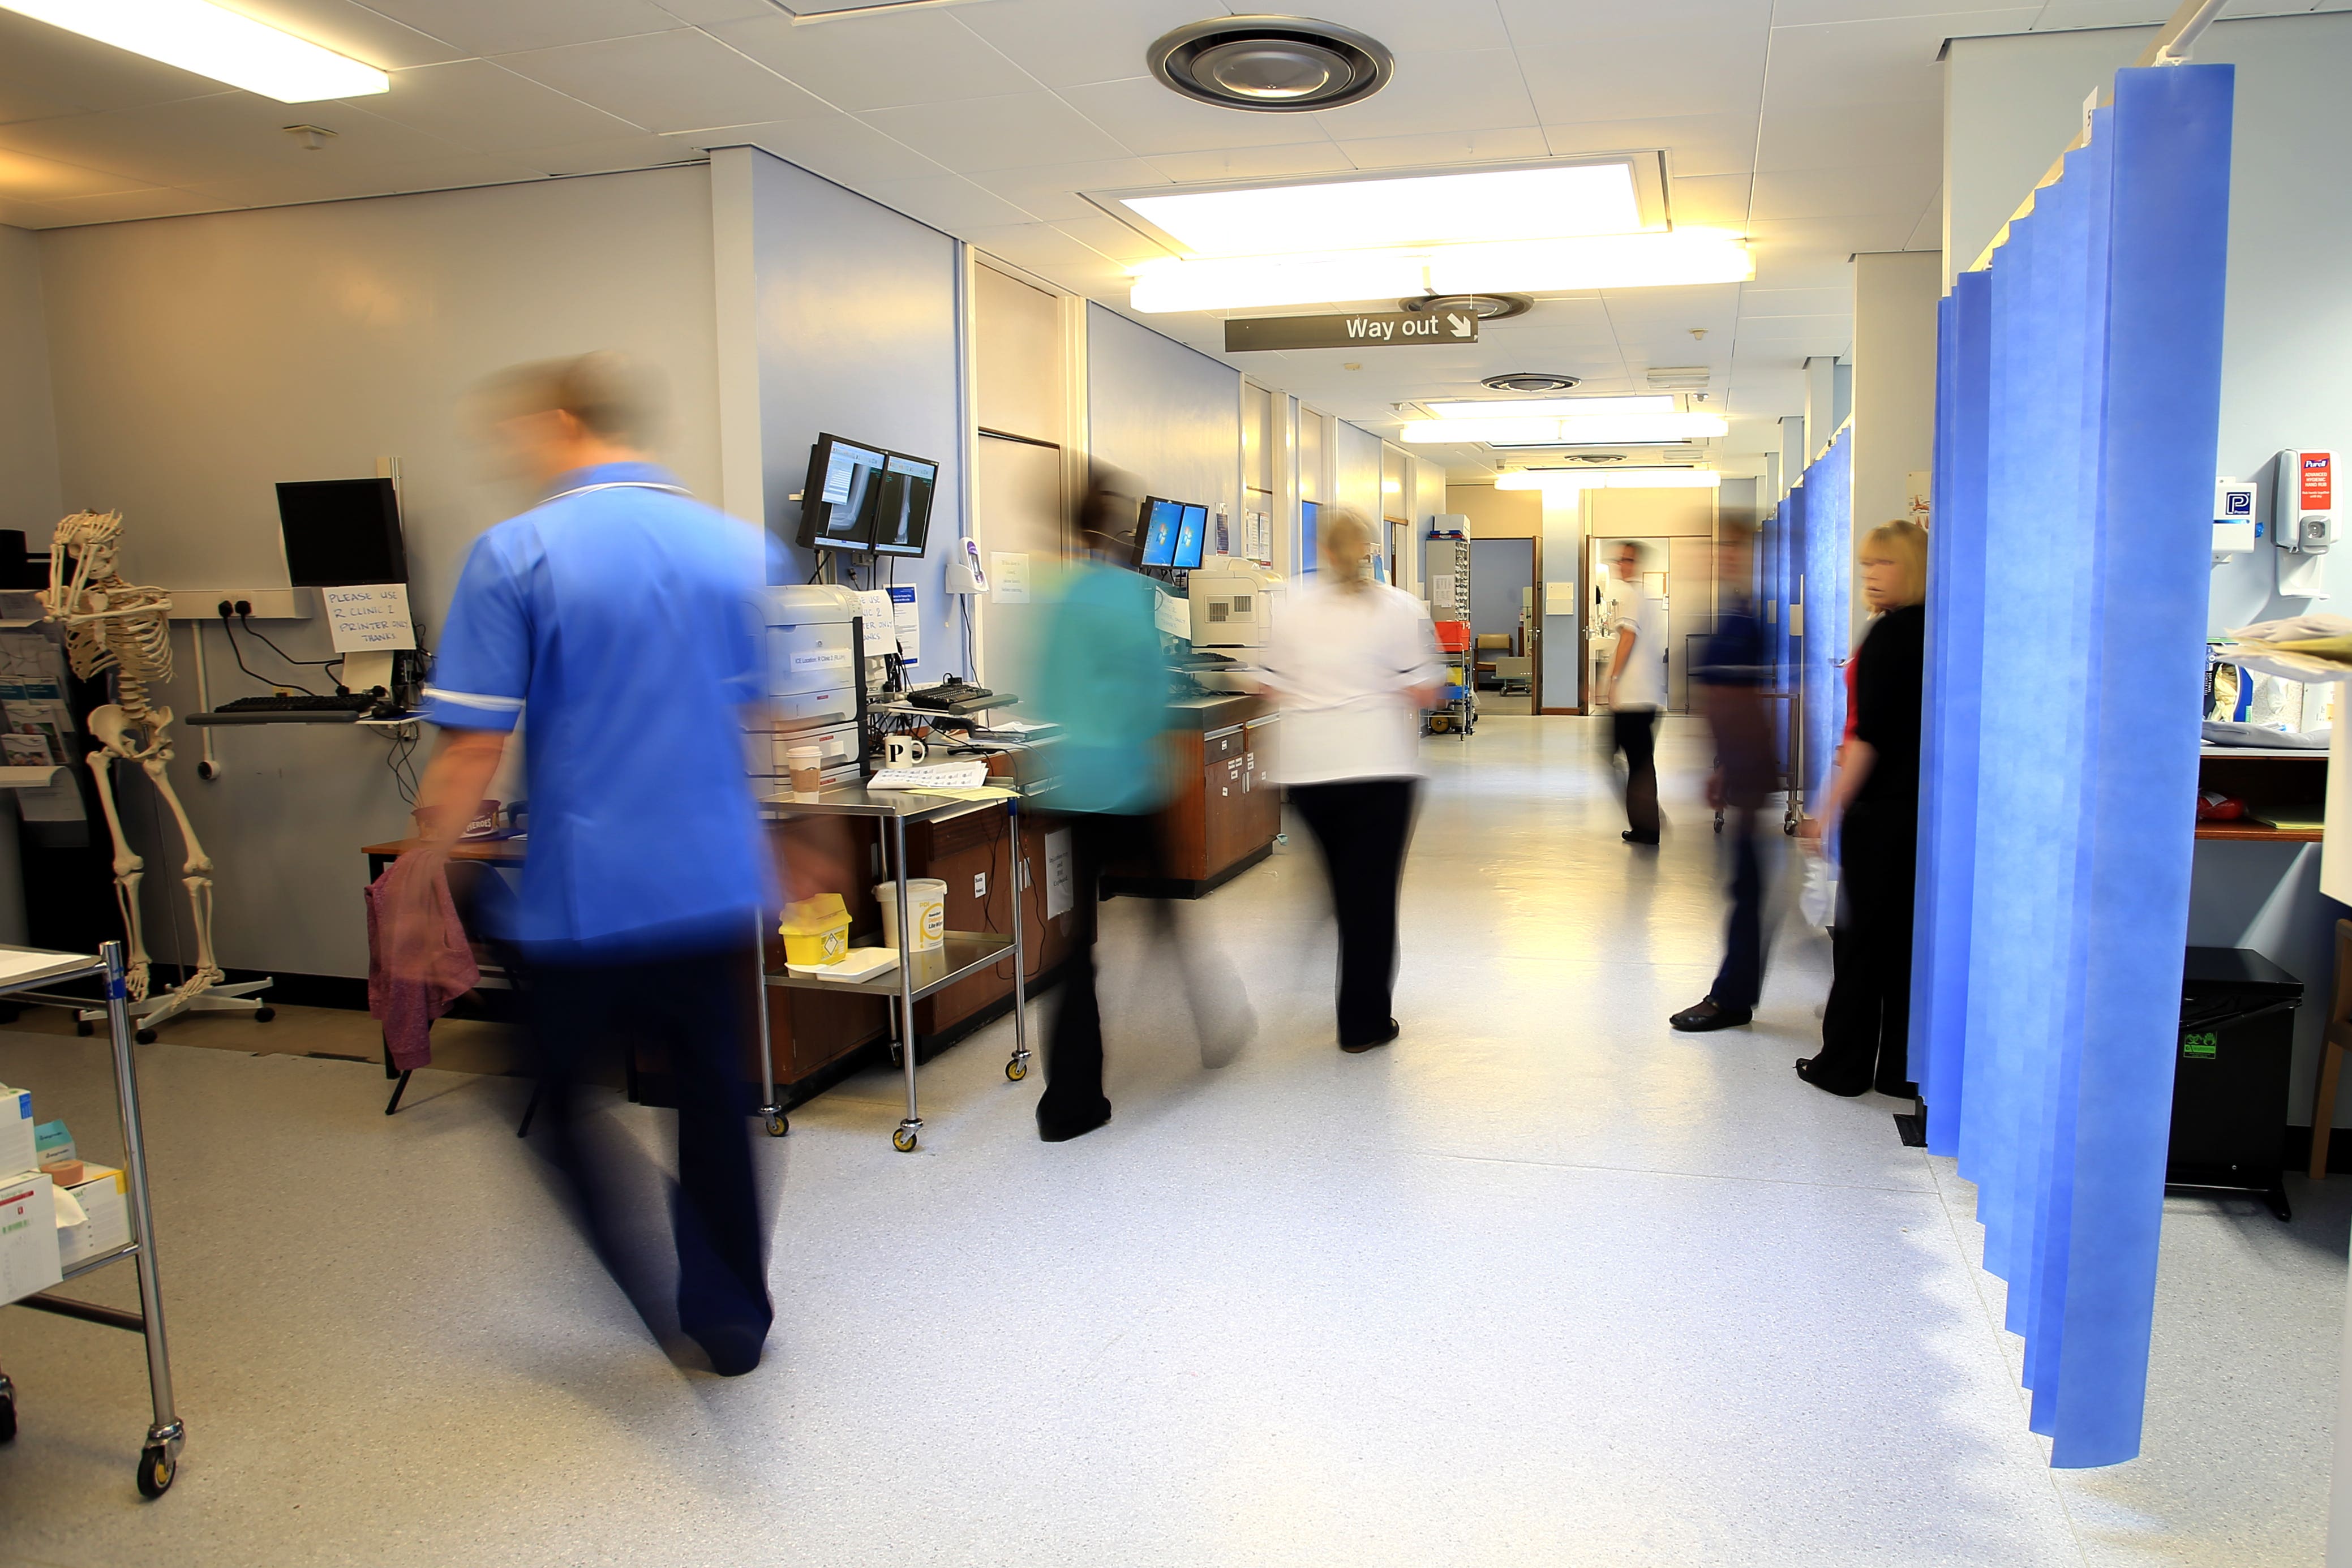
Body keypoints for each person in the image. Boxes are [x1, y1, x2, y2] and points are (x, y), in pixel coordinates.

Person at [391, 352, 778, 1374]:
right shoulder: (734, 550)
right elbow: (769, 716)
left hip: (588, 896)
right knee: (713, 1096)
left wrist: (427, 865)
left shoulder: (518, 551)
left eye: (523, 431)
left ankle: (649, 1280)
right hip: (710, 881)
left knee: (560, 1103)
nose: (514, 451)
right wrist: (812, 842)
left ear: (565, 424)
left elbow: (474, 744)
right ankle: (731, 1312)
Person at [1027, 475, 1183, 1141]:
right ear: (1119, 530)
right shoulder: (1128, 593)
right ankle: (1209, 1022)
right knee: (1167, 912)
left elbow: (1041, 687)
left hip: (1070, 783)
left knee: (1072, 946)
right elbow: (1150, 689)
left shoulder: (1060, 595)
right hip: (1126, 779)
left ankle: (1069, 1100)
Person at [1262, 509, 1443, 1053]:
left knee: (1350, 888)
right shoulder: (1400, 608)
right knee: (1372, 900)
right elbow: (1429, 690)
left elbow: (1269, 684)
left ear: (1323, 550)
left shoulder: (1290, 601)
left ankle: (1340, 908)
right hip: (1379, 771)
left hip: (1310, 776)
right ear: (1369, 549)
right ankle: (1363, 1024)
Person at [1797, 520, 1928, 1097]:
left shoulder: (1889, 635)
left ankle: (1842, 1065)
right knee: (1902, 943)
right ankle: (1901, 1067)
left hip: (1880, 813)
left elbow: (1869, 738)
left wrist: (1825, 809)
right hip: (1917, 809)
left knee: (1858, 942)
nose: (1871, 576)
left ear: (1912, 567)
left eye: (1884, 564)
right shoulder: (1931, 629)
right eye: (1866, 565)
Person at [1671, 521, 1775, 1032]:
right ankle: (1735, 991)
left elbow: (1739, 705)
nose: (1715, 557)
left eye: (1725, 548)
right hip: (1741, 765)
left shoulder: (1743, 620)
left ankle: (1732, 998)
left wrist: (1732, 768)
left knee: (1748, 884)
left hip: (1749, 767)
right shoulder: (1733, 613)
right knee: (1747, 883)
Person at [1604, 542, 1667, 844]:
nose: (1622, 565)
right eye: (1620, 560)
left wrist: (1613, 680)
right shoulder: (1644, 598)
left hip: (1633, 698)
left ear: (1637, 563)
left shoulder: (1630, 596)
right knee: (1639, 762)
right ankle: (1648, 819)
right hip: (1647, 696)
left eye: (1628, 560)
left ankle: (1647, 822)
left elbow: (1627, 639)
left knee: (1624, 759)